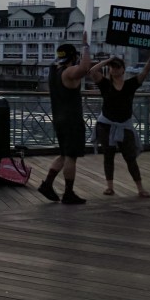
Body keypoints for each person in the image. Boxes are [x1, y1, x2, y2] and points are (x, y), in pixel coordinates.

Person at [90, 52, 150, 198]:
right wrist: (108, 60)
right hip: (105, 125)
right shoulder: (105, 84)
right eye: (112, 67)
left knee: (130, 157)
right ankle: (109, 187)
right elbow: (92, 71)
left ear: (123, 69)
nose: (114, 69)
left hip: (124, 126)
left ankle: (140, 188)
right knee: (108, 156)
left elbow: (145, 71)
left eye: (117, 67)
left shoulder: (130, 84)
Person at [37, 34, 92, 205]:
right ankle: (68, 193)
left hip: (59, 118)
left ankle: (47, 184)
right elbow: (84, 69)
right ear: (73, 57)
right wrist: (86, 47)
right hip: (71, 120)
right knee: (71, 156)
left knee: (63, 154)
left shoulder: (55, 71)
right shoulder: (68, 72)